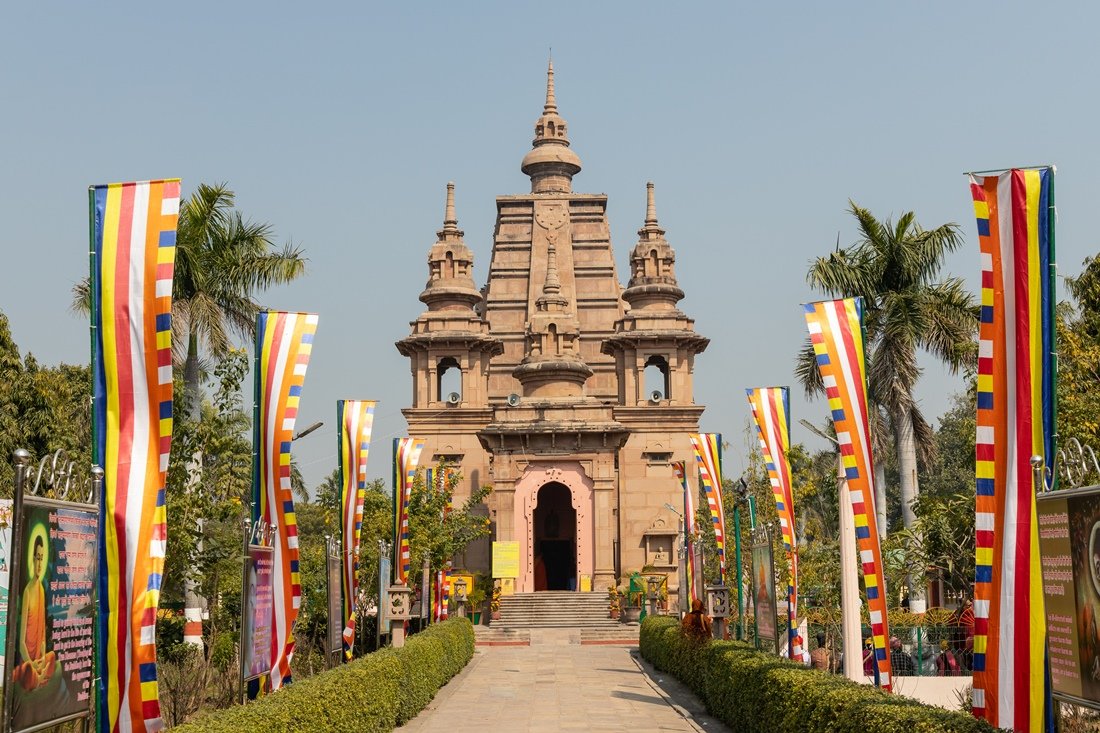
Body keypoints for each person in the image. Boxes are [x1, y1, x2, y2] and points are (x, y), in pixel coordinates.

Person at [14, 535, 56, 691]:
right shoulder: (27, 592)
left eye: (42, 558)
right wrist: (31, 663)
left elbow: (43, 634)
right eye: (37, 558)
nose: (39, 564)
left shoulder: (42, 590)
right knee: (30, 672)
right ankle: (37, 677)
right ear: (33, 559)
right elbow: (21, 643)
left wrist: (43, 655)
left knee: (52, 656)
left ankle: (40, 675)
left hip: (39, 658)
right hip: (27, 661)